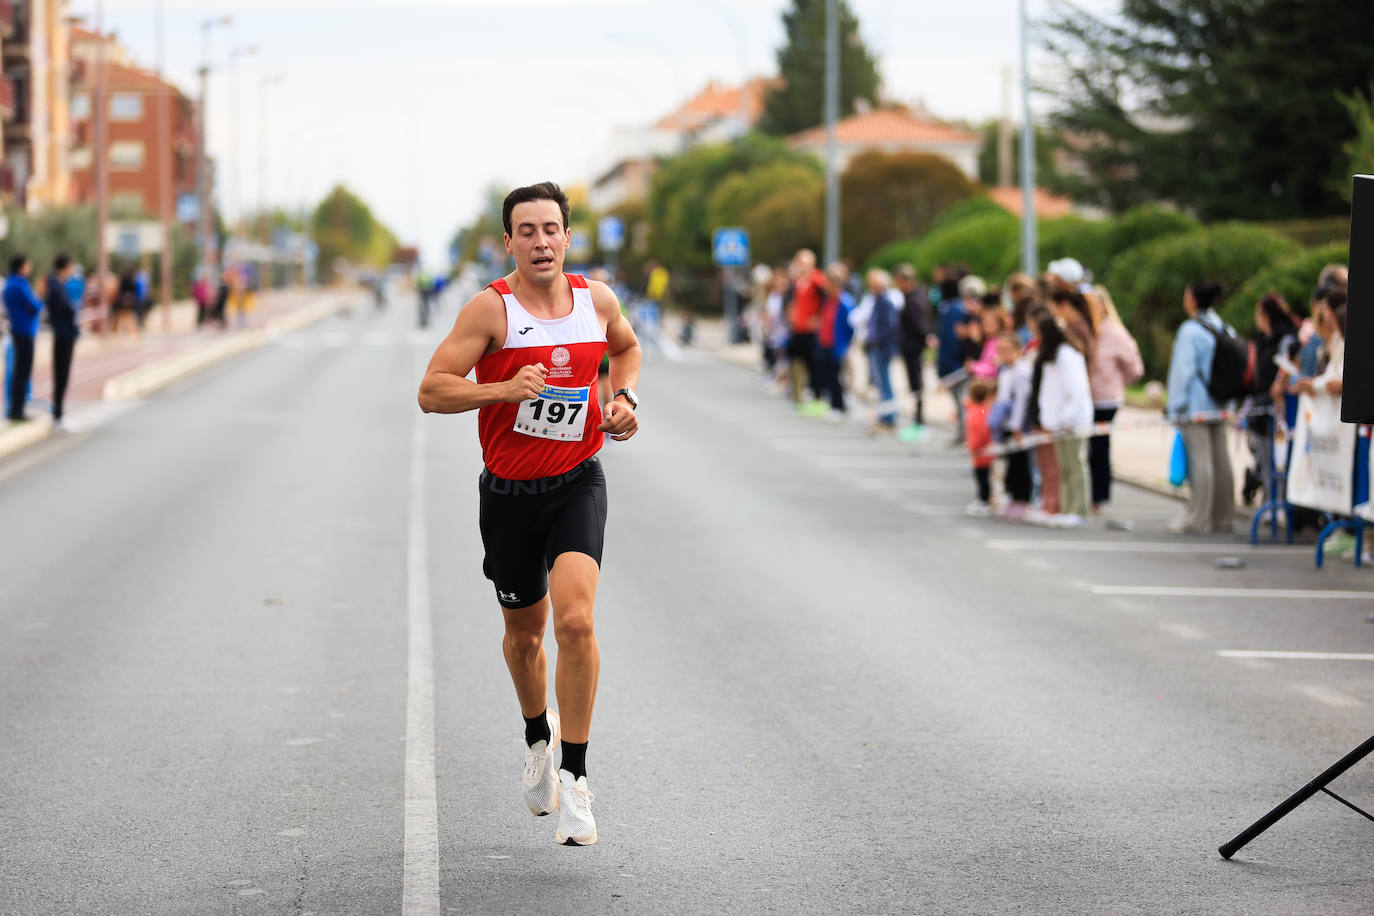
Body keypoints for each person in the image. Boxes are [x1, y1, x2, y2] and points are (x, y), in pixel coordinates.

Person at [417, 181, 641, 847]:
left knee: (575, 622)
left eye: (551, 230)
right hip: (510, 497)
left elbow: (626, 349)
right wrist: (502, 388)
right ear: (509, 242)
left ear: (567, 238)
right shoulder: (492, 310)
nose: (541, 242)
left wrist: (624, 398)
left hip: (577, 483)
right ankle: (537, 736)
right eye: (527, 231)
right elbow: (432, 390)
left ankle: (576, 777)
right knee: (524, 637)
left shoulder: (597, 301)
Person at [1164, 281, 1236, 534]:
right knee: (1221, 461)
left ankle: (1197, 517)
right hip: (1221, 404)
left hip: (1195, 406)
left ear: (1193, 300)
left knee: (1200, 462)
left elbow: (1183, 372)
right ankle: (1223, 518)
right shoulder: (1224, 327)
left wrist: (1174, 405)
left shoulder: (1190, 331)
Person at [1085, 286, 1144, 512]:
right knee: (1091, 447)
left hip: (1106, 399)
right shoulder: (1089, 330)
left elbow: (1135, 367)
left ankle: (1099, 496)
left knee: (1099, 448)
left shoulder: (1115, 333)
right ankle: (1093, 494)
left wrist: (1117, 382)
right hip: (1089, 397)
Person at [1034, 307, 1093, 527]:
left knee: (1074, 465)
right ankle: (1067, 507)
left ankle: (1078, 509)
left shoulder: (1067, 355)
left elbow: (1075, 390)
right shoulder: (1054, 357)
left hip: (1072, 422)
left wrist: (1067, 418)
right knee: (1064, 467)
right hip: (1059, 422)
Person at [992, 331, 1034, 518]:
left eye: (1008, 350)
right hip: (1005, 423)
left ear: (1018, 350)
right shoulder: (1005, 370)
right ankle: (1010, 497)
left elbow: (1021, 402)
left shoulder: (1021, 372)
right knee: (1009, 463)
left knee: (1021, 464)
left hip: (1018, 425)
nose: (1004, 354)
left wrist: (1017, 426)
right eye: (1001, 350)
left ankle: (1022, 499)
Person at [859, 268, 901, 434]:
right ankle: (884, 416)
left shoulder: (886, 302)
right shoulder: (876, 301)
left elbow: (889, 327)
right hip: (875, 347)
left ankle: (889, 418)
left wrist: (876, 339)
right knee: (880, 384)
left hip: (882, 348)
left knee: (885, 384)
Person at [786, 249, 827, 413]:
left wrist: (818, 318)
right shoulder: (797, 281)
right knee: (796, 361)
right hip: (798, 328)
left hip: (811, 331)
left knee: (813, 365)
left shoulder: (818, 280)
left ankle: (817, 398)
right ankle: (798, 396)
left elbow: (826, 300)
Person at [4, 255, 43, 421]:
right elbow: (35, 306)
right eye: (27, 265)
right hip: (25, 331)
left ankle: (15, 408)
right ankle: (18, 410)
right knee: (23, 372)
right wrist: (39, 299)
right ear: (21, 267)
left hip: (17, 329)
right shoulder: (20, 285)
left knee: (18, 372)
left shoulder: (9, 284)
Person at [894, 264, 930, 439]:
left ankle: (919, 420)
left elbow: (919, 323)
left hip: (913, 347)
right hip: (910, 346)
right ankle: (917, 418)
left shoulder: (914, 298)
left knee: (916, 383)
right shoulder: (912, 296)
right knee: (915, 383)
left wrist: (926, 337)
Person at [45, 254, 80, 429]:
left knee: (62, 374)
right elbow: (65, 309)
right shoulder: (55, 286)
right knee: (61, 374)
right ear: (65, 267)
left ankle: (58, 413)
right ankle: (58, 415)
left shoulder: (58, 284)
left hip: (65, 333)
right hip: (63, 334)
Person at [814, 263, 854, 418]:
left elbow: (851, 326)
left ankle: (839, 406)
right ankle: (833, 404)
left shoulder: (845, 302)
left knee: (837, 377)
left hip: (838, 345)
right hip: (826, 343)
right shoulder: (828, 301)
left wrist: (846, 344)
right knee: (829, 375)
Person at [934, 277, 972, 442]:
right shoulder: (957, 308)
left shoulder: (950, 309)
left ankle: (964, 433)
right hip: (955, 360)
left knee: (961, 399)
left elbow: (950, 339)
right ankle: (963, 431)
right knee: (960, 399)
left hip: (954, 361)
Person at [964, 378, 996, 516]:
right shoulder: (982, 409)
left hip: (981, 452)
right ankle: (984, 500)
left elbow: (980, 432)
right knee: (984, 477)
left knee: (982, 478)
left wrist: (975, 446)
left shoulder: (978, 412)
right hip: (983, 450)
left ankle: (984, 501)